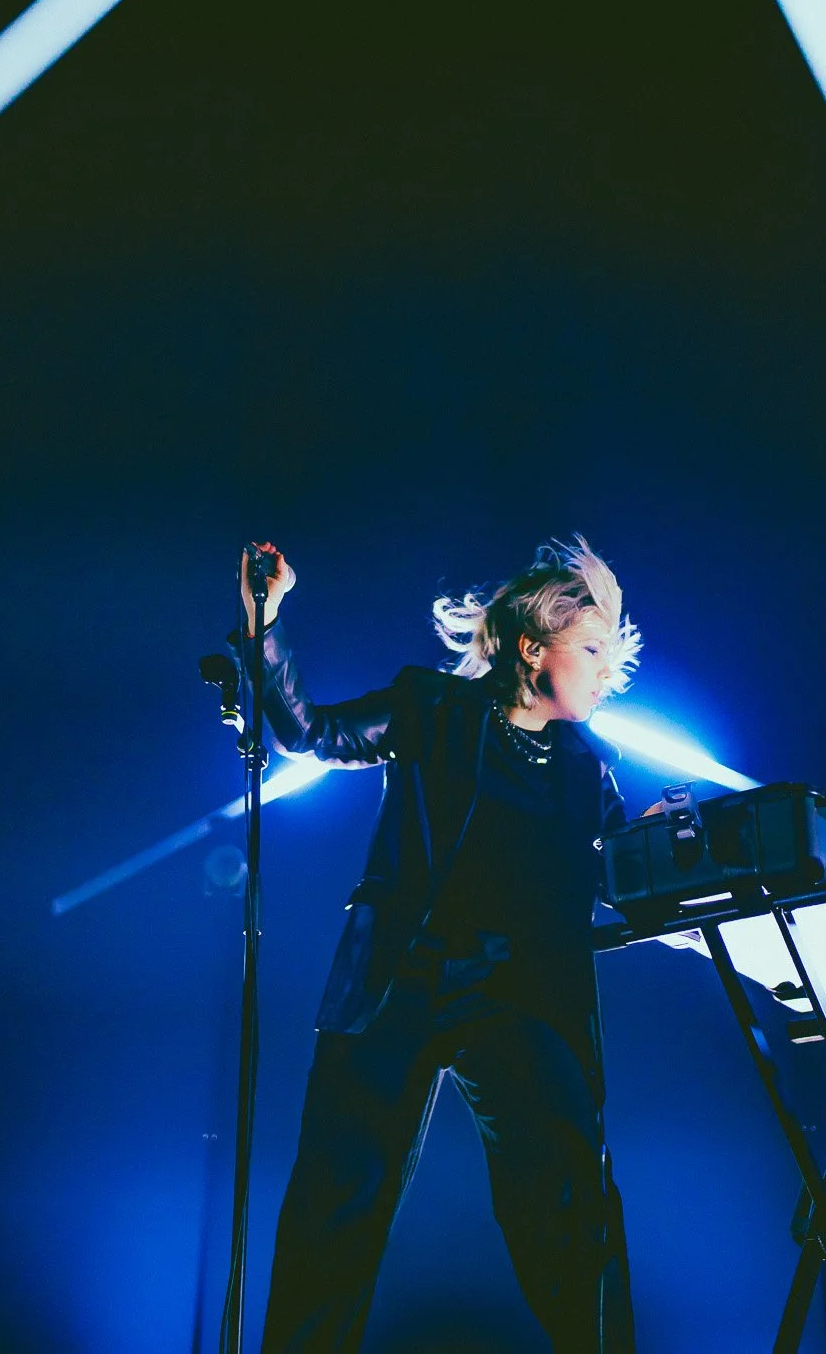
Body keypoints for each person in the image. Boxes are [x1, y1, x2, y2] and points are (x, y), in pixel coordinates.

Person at [231, 536, 641, 1353]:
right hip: (399, 980)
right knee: (337, 1204)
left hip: (517, 997)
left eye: (611, 652)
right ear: (532, 646)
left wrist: (666, 848)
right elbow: (311, 733)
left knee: (570, 1193)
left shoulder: (588, 772)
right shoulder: (431, 708)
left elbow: (624, 885)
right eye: (591, 646)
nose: (608, 669)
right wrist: (264, 620)